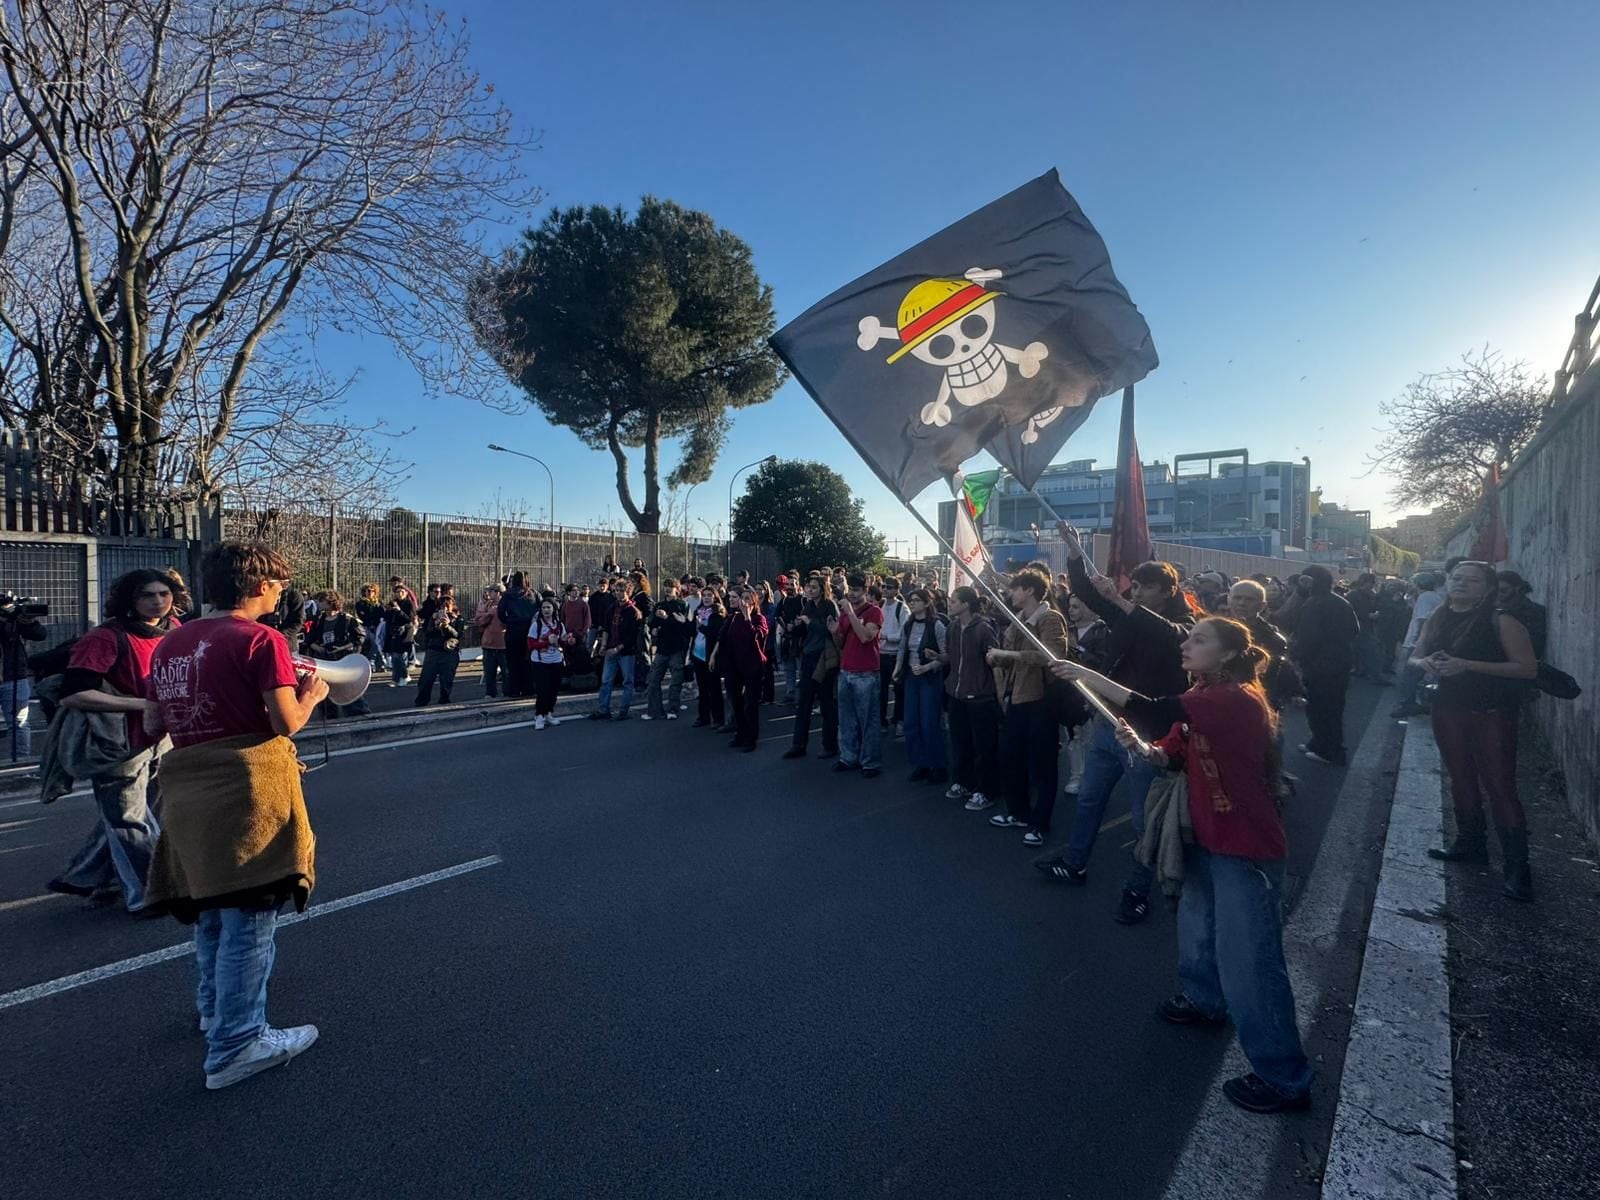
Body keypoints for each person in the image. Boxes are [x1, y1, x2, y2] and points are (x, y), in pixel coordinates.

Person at [1053, 617, 1314, 1115]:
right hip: (1203, 834)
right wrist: (1143, 748)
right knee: (1197, 926)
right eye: (1188, 637)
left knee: (1251, 960)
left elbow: (1152, 708)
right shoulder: (1202, 695)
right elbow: (1169, 754)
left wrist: (1080, 674)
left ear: (1229, 655)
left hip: (1243, 844)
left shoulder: (1233, 699)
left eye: (1199, 640)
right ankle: (1203, 999)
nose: (1185, 644)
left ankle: (1284, 1075)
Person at [142, 541, 327, 1090]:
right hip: (248, 789)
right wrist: (313, 694)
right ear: (256, 585)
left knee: (212, 909)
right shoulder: (260, 639)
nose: (279, 592)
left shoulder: (171, 642)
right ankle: (238, 1043)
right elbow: (286, 721)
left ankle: (213, 1012)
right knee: (251, 914)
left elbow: (154, 723)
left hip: (188, 787)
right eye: (276, 583)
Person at [1045, 526, 1194, 925]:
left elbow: (1168, 637)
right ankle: (1075, 862)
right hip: (1111, 722)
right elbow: (1089, 592)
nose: (1136, 593)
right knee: (1090, 799)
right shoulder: (1127, 615)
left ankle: (1139, 888)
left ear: (1169, 591)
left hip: (1148, 734)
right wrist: (1075, 550)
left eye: (1145, 588)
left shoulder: (1185, 623)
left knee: (1144, 819)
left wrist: (1123, 603)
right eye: (1135, 587)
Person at [45, 569, 180, 914]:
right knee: (129, 818)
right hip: (118, 742)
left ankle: (90, 877)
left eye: (164, 594)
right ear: (130, 600)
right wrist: (142, 705)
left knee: (138, 814)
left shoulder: (174, 631)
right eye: (148, 595)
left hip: (161, 738)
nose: (158, 601)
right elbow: (74, 694)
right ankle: (152, 895)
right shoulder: (106, 638)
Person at [1415, 561, 1539, 900]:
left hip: (1492, 712)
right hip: (1447, 708)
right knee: (1460, 776)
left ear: (1487, 588)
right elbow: (1414, 655)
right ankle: (1470, 844)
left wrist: (1466, 665)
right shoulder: (1440, 615)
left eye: (1472, 581)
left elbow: (1527, 668)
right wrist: (1424, 664)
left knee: (1500, 784)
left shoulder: (1502, 620)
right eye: (1456, 579)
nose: (1461, 585)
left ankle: (1518, 867)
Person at [985, 569, 1070, 847]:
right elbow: (1011, 658)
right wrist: (998, 660)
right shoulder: (1016, 621)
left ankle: (1040, 823)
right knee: (1011, 758)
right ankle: (1017, 811)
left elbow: (1051, 657)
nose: (1011, 594)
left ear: (1031, 590)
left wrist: (1008, 654)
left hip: (1041, 700)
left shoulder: (1050, 619)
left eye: (1016, 588)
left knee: (1043, 765)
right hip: (1015, 698)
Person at [1277, 565, 1359, 766]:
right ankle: (1320, 743)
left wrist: (1295, 656)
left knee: (1321, 708)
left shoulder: (1314, 604)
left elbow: (1307, 637)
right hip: (1340, 661)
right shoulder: (1341, 601)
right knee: (1332, 707)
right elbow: (1355, 630)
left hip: (1319, 664)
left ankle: (1329, 750)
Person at [940, 584, 1000, 810]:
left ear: (966, 604)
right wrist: (938, 657)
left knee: (984, 747)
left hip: (980, 697)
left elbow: (995, 658)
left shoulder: (983, 628)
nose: (950, 604)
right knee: (960, 742)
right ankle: (963, 782)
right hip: (956, 693)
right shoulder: (953, 627)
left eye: (954, 601)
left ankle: (986, 791)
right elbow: (951, 657)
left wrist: (994, 658)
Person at [830, 573, 883, 777]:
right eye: (850, 589)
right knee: (846, 719)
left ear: (865, 591)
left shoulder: (874, 612)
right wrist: (835, 632)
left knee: (868, 720)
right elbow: (840, 644)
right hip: (846, 670)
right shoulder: (845, 613)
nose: (852, 593)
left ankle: (870, 762)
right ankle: (848, 757)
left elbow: (865, 637)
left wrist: (851, 614)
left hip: (867, 674)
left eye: (856, 590)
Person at [783, 575, 840, 760]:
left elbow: (831, 630)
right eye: (808, 587)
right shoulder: (807, 605)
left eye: (814, 587)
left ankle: (829, 745)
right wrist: (794, 628)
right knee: (804, 702)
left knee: (826, 702)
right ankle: (798, 744)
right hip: (808, 655)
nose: (810, 590)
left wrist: (810, 622)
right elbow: (805, 632)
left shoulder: (829, 605)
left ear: (822, 589)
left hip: (824, 657)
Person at [895, 588, 948, 783]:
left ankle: (938, 765)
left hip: (929, 679)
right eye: (911, 600)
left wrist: (927, 667)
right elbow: (902, 648)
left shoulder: (937, 625)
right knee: (911, 722)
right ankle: (920, 763)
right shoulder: (908, 625)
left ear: (927, 603)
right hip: (911, 677)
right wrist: (898, 668)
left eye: (916, 600)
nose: (912, 603)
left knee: (930, 723)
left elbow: (945, 656)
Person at [715, 586, 768, 751]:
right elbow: (723, 638)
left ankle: (751, 739)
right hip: (734, 665)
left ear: (753, 601)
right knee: (735, 701)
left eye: (746, 598)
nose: (740, 601)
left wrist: (747, 617)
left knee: (750, 704)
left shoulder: (759, 619)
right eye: (739, 598)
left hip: (752, 665)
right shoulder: (733, 618)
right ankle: (740, 733)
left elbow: (755, 637)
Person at [303, 591, 371, 718]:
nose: (318, 603)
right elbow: (309, 640)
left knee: (347, 689)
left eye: (321, 600)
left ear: (330, 602)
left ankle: (359, 714)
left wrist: (342, 648)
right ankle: (329, 717)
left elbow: (360, 638)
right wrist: (320, 649)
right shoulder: (318, 620)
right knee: (324, 691)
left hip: (342, 660)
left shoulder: (347, 619)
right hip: (325, 661)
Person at [1392, 573, 1445, 719]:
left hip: (1417, 643)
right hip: (1423, 641)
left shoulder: (1425, 597)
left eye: (1414, 583)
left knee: (1409, 674)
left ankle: (1407, 705)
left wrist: (1417, 643)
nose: (1412, 585)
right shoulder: (1433, 596)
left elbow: (1423, 620)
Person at [1, 592, 46, 759]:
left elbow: (40, 634)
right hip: (12, 677)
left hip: (14, 678)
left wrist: (22, 618)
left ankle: (21, 764)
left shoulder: (11, 617)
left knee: (19, 724)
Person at [590, 576, 641, 721]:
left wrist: (617, 649)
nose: (619, 593)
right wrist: (604, 646)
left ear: (628, 592)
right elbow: (606, 628)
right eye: (617, 590)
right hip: (610, 650)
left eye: (622, 591)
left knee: (627, 682)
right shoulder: (611, 608)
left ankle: (623, 711)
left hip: (626, 652)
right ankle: (603, 710)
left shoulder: (633, 612)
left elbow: (631, 637)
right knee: (606, 681)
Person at [643, 579, 690, 721]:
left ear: (677, 589)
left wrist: (666, 618)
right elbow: (651, 622)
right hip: (662, 648)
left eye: (671, 587)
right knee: (653, 680)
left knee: (675, 681)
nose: (668, 589)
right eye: (666, 586)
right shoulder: (659, 605)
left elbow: (682, 625)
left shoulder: (682, 604)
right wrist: (654, 630)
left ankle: (673, 709)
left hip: (677, 647)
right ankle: (653, 710)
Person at [526, 597, 568, 730]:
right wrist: (546, 642)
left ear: (554, 609)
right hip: (539, 661)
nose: (546, 610)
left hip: (556, 660)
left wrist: (568, 641)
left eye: (548, 607)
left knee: (553, 689)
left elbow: (563, 641)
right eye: (543, 608)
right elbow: (531, 644)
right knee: (542, 690)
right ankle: (539, 715)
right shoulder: (536, 625)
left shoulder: (559, 625)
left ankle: (549, 713)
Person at [688, 584, 726, 728]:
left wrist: (702, 627)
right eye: (704, 595)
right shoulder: (698, 610)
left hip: (711, 656)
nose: (706, 598)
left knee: (714, 688)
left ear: (715, 597)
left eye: (709, 595)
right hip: (698, 653)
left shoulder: (718, 613)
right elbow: (692, 629)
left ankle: (718, 719)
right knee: (702, 689)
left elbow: (716, 634)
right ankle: (703, 717)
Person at [877, 577, 910, 735]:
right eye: (883, 586)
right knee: (881, 690)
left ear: (897, 590)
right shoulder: (880, 605)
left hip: (896, 655)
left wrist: (886, 637)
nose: (885, 589)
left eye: (889, 587)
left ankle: (899, 721)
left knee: (899, 690)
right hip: (881, 654)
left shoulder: (901, 608)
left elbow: (905, 633)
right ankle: (881, 720)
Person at [497, 573, 537, 699]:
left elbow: (500, 612)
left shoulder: (508, 595)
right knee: (528, 661)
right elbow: (540, 608)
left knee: (513, 662)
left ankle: (514, 689)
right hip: (530, 630)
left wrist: (508, 621)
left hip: (513, 630)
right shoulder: (533, 593)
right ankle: (528, 688)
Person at [1493, 571, 1547, 660]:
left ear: (1518, 589)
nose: (1498, 595)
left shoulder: (1533, 612)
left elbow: (1534, 650)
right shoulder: (1492, 611)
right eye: (1495, 592)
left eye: (1503, 591)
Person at [474, 584, 509, 699]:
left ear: (498, 593)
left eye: (492, 591)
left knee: (506, 672)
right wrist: (489, 614)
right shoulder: (486, 605)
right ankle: (490, 692)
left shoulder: (507, 605)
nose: (489, 593)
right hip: (488, 644)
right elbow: (478, 621)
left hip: (503, 644)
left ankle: (507, 692)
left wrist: (500, 613)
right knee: (489, 672)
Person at [776, 574, 805, 703]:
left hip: (800, 639)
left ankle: (803, 696)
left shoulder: (803, 601)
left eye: (791, 584)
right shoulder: (783, 601)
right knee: (789, 668)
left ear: (797, 586)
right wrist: (784, 625)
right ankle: (790, 692)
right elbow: (777, 616)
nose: (789, 587)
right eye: (787, 584)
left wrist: (797, 625)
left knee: (802, 669)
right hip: (787, 639)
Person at [258, 580, 307, 654]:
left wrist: (280, 635)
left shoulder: (295, 595)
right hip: (266, 640)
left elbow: (299, 621)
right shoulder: (269, 593)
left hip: (287, 642)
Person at [381, 584, 416, 685]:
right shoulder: (392, 603)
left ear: (406, 593)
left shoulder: (409, 604)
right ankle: (399, 678)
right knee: (395, 655)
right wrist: (388, 610)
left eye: (402, 592)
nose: (400, 594)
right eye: (397, 592)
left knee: (397, 655)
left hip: (405, 633)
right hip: (393, 632)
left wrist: (399, 611)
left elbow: (409, 618)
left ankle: (402, 677)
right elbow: (387, 618)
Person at [560, 583, 593, 680]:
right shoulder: (565, 605)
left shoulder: (583, 604)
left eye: (577, 590)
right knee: (569, 657)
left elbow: (587, 620)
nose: (576, 592)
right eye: (574, 590)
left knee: (580, 656)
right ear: (568, 593)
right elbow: (562, 620)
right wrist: (565, 634)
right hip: (568, 636)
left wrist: (582, 633)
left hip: (579, 635)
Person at [354, 583, 385, 668]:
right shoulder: (361, 603)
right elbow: (363, 615)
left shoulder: (379, 603)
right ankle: (371, 661)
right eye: (368, 591)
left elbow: (383, 614)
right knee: (375, 643)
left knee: (378, 644)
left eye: (373, 591)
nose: (370, 593)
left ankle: (379, 663)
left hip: (378, 626)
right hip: (367, 626)